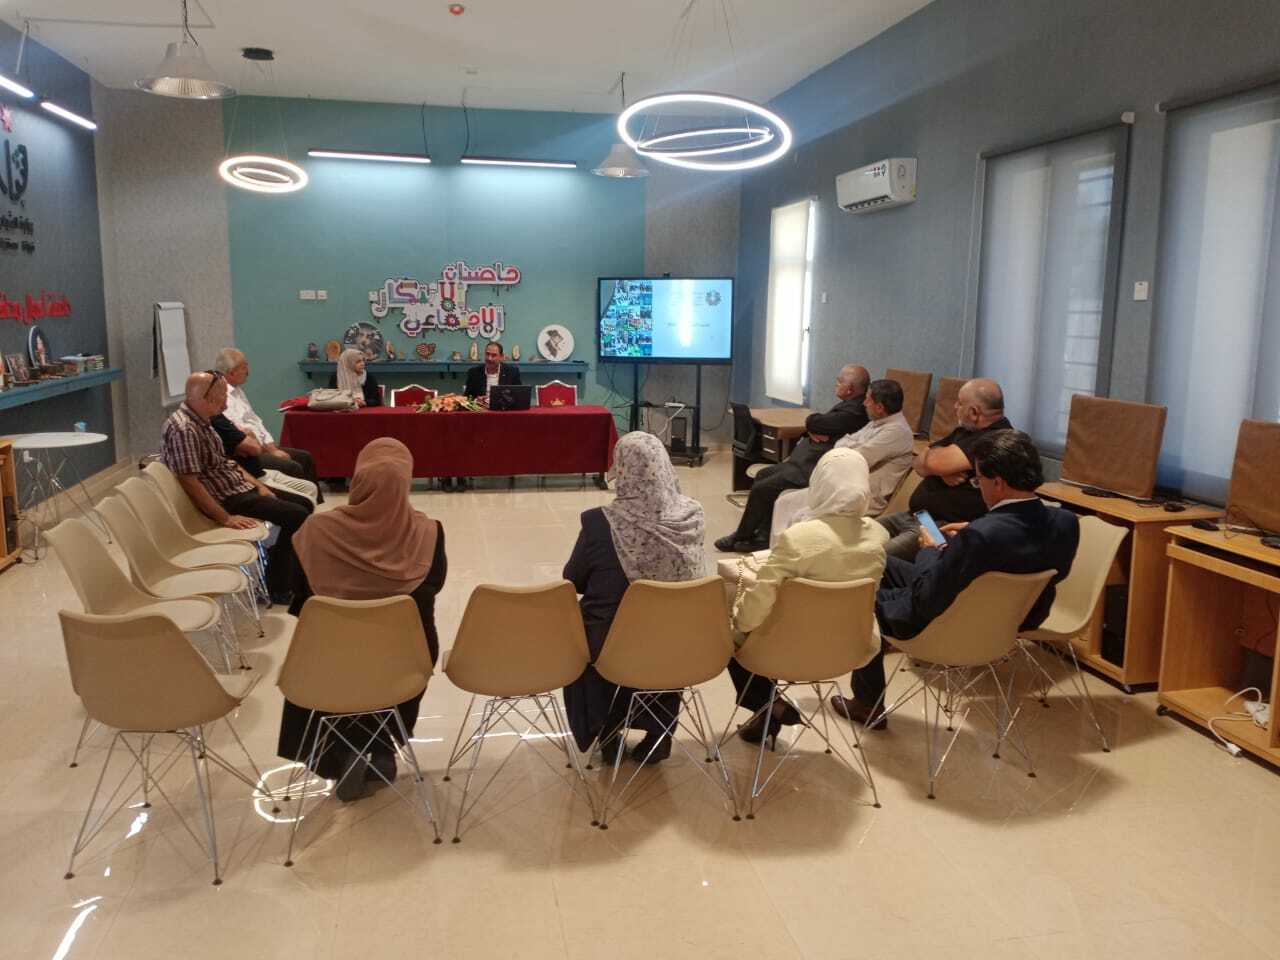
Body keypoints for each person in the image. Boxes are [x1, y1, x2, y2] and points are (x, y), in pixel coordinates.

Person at [833, 430, 1080, 728]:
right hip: (1013, 619)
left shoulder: (980, 537)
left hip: (949, 624)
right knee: (881, 563)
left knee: (863, 595)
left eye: (978, 480)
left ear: (998, 482)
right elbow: (1035, 561)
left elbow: (925, 599)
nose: (979, 487)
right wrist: (971, 534)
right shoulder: (1065, 522)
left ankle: (867, 703)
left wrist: (930, 550)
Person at [278, 438, 447, 801]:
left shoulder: (313, 532)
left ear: (358, 480)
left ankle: (341, 749)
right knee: (409, 649)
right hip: (405, 661)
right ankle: (382, 743)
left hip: (331, 660)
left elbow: (300, 599)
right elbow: (434, 586)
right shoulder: (429, 533)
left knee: (331, 655)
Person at [562, 431, 705, 765]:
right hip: (681, 642)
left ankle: (608, 732)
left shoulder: (600, 523)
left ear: (623, 469)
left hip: (614, 648)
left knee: (595, 630)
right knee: (663, 624)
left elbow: (573, 578)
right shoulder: (692, 515)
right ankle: (659, 733)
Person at [728, 449, 888, 744]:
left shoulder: (799, 538)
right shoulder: (877, 537)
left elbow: (756, 608)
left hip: (784, 649)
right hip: (847, 650)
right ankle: (768, 712)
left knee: (734, 632)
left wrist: (736, 621)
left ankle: (769, 705)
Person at [161, 371, 313, 604]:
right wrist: (226, 518)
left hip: (238, 488)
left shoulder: (204, 421)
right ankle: (279, 586)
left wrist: (258, 486)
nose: (226, 402)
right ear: (208, 397)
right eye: (223, 395)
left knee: (303, 504)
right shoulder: (185, 429)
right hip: (227, 499)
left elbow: (227, 463)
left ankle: (287, 570)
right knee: (297, 515)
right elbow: (190, 482)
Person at [714, 363, 870, 553]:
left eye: (840, 381)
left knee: (764, 488)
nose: (836, 384)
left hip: (810, 469)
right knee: (763, 475)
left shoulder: (855, 412)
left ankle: (742, 535)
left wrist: (813, 426)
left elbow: (814, 421)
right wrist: (814, 428)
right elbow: (817, 424)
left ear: (850, 389)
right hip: (802, 462)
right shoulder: (849, 406)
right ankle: (762, 534)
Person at [876, 377, 1012, 562]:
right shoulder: (964, 431)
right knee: (855, 534)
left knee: (872, 558)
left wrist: (936, 465)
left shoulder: (996, 439)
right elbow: (918, 463)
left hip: (940, 527)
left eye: (960, 403)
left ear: (974, 412)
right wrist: (941, 471)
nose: (955, 407)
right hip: (914, 516)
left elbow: (933, 463)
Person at [770, 378, 915, 537]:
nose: (864, 403)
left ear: (880, 407)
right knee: (784, 501)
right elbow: (842, 442)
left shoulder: (896, 432)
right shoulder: (877, 422)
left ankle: (793, 550)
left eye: (868, 399)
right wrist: (847, 448)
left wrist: (847, 448)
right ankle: (778, 549)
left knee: (800, 517)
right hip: (843, 484)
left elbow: (853, 459)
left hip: (860, 497)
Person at [215, 347, 321, 495]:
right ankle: (299, 504)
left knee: (305, 457)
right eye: (244, 367)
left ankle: (313, 504)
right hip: (249, 454)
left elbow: (256, 422)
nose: (248, 371)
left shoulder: (238, 391)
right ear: (231, 372)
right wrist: (271, 451)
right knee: (292, 466)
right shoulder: (223, 396)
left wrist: (272, 448)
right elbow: (245, 435)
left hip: (263, 447)